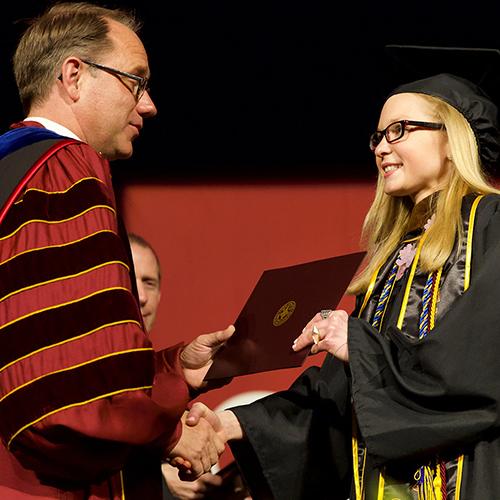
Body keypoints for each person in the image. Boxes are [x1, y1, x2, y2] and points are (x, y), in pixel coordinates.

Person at [188, 73, 500, 499]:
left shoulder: (491, 226)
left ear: (452, 138)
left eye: (399, 130)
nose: (381, 148)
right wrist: (231, 424)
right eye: (377, 137)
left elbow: (479, 365)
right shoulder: (397, 258)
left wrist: (357, 343)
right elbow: (339, 393)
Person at [0, 3, 233, 498]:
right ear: (74, 76)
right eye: (136, 81)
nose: (148, 105)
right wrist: (171, 431)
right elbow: (61, 393)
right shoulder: (62, 168)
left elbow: (49, 342)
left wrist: (173, 373)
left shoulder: (14, 170)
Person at [128, 233, 225, 499]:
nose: (142, 297)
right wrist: (163, 464)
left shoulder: (151, 376)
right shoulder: (71, 361)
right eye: (128, 279)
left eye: (149, 282)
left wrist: (179, 369)